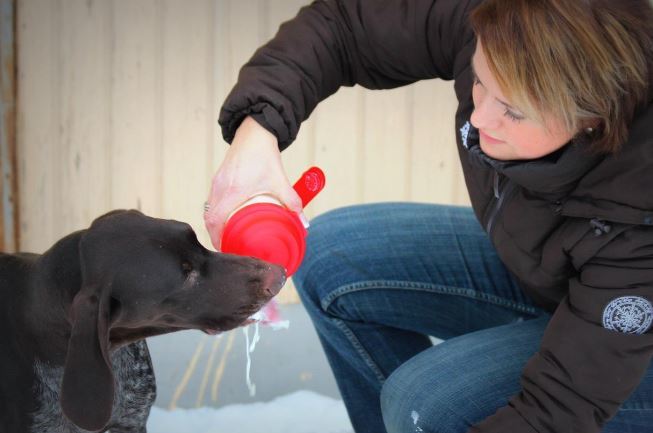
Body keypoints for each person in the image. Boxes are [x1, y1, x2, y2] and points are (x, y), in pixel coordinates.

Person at [203, 0, 653, 432]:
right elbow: (344, 26)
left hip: (626, 352)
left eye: (512, 111)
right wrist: (256, 137)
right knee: (333, 259)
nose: (478, 118)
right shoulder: (506, 20)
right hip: (552, 275)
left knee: (424, 404)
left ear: (590, 120)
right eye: (480, 81)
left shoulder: (638, 214)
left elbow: (554, 414)